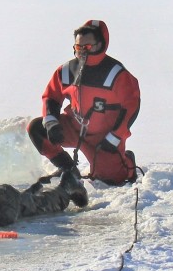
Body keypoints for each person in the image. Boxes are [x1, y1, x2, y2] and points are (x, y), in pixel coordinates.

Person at [27, 19, 141, 186]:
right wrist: (51, 123)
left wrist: (115, 137)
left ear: (100, 45)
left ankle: (127, 162)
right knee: (36, 128)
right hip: (74, 127)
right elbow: (51, 97)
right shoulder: (66, 71)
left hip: (103, 138)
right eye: (78, 47)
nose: (81, 52)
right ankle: (67, 168)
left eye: (87, 47)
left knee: (111, 179)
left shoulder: (117, 74)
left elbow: (132, 106)